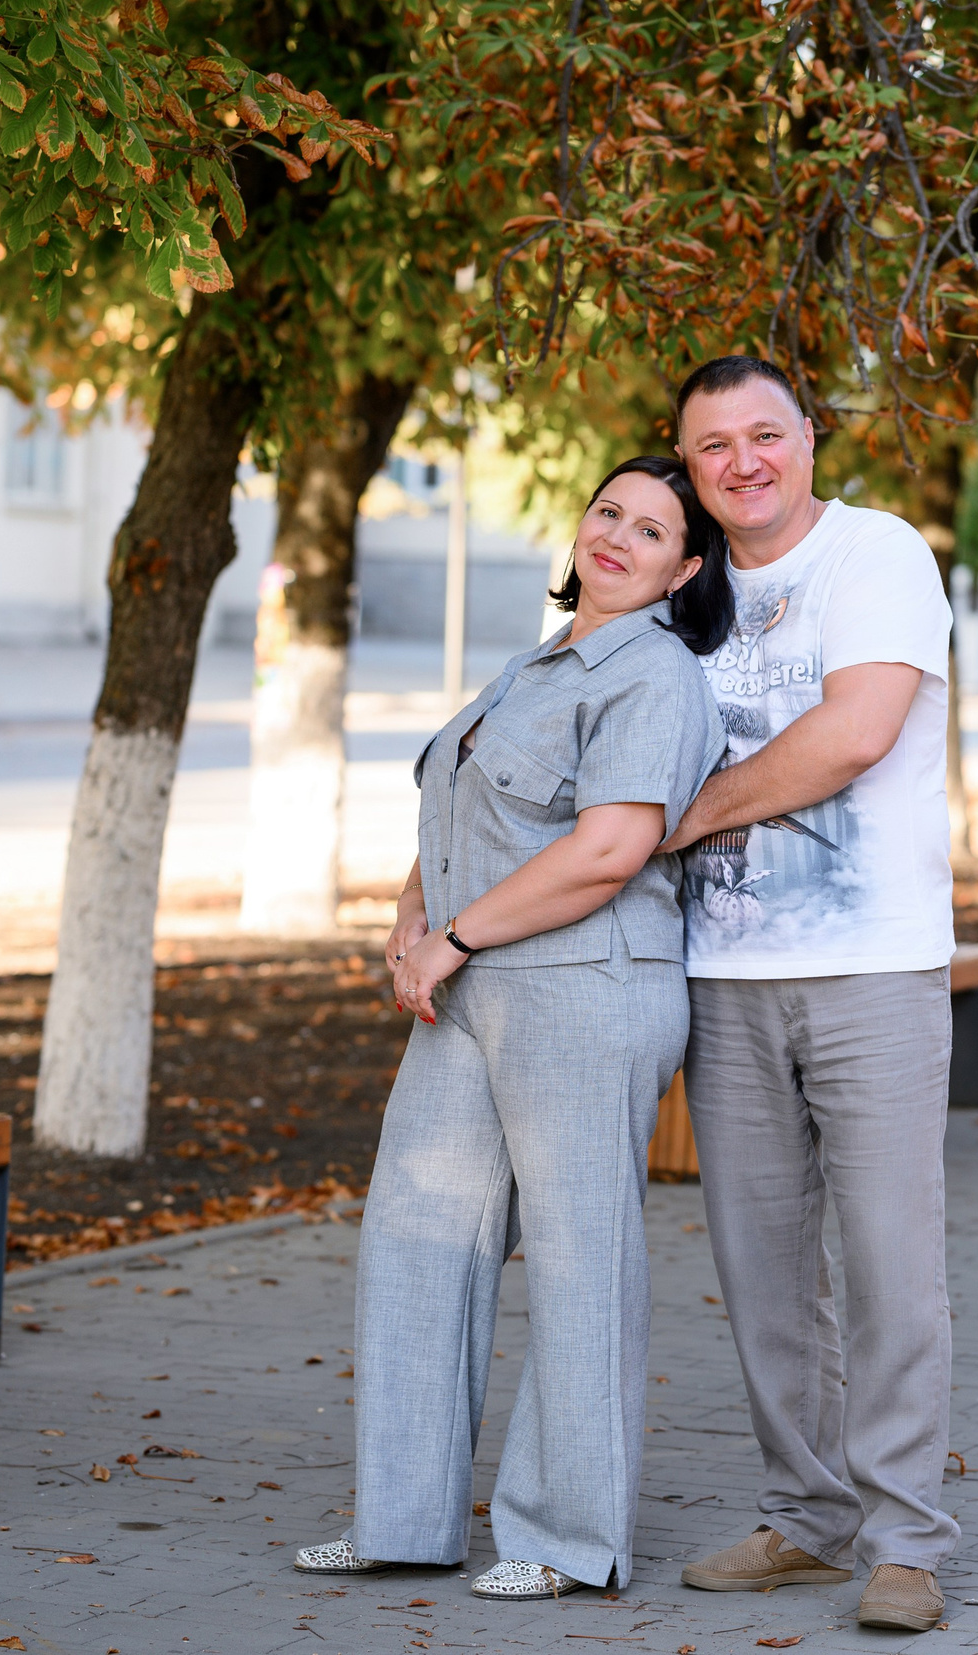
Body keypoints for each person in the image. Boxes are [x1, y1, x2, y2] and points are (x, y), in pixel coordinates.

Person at [295, 456, 729, 1600]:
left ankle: (565, 1535)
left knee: (582, 1258)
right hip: (475, 982)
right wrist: (411, 914)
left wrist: (454, 934)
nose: (617, 535)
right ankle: (401, 1517)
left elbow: (608, 848)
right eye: (607, 511)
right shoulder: (537, 662)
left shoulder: (656, 673)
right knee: (418, 1234)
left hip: (586, 988)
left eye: (651, 530)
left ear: (684, 568)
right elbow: (460, 805)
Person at [660, 356, 961, 1632]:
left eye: (764, 434)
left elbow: (853, 733)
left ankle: (906, 1542)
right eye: (712, 445)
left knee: (892, 1262)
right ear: (688, 465)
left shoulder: (876, 553)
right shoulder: (682, 584)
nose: (743, 461)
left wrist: (676, 818)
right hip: (720, 976)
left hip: (871, 966)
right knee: (763, 1269)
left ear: (808, 439)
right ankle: (806, 1516)